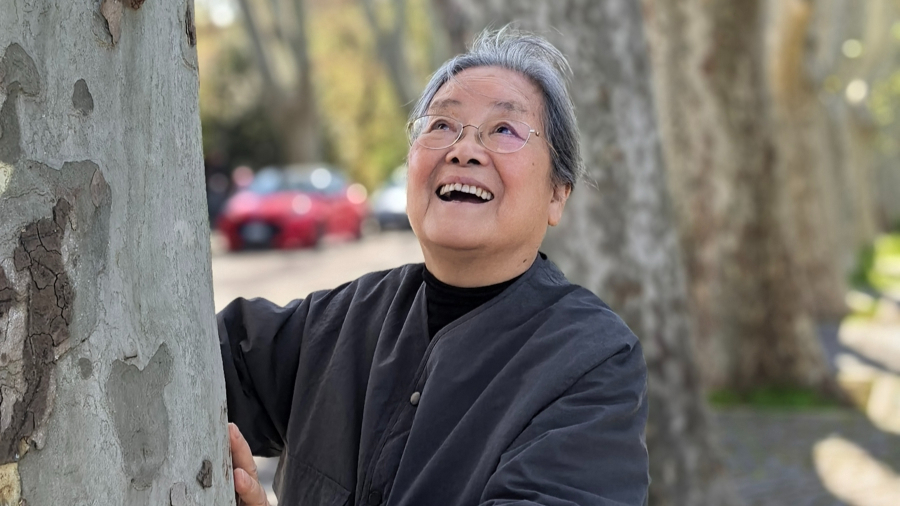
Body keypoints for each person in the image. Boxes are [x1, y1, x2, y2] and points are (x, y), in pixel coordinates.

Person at [219, 27, 649, 506]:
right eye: (441, 125)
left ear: (557, 195)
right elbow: (192, 360)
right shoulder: (339, 323)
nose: (463, 149)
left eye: (504, 130)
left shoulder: (591, 360)